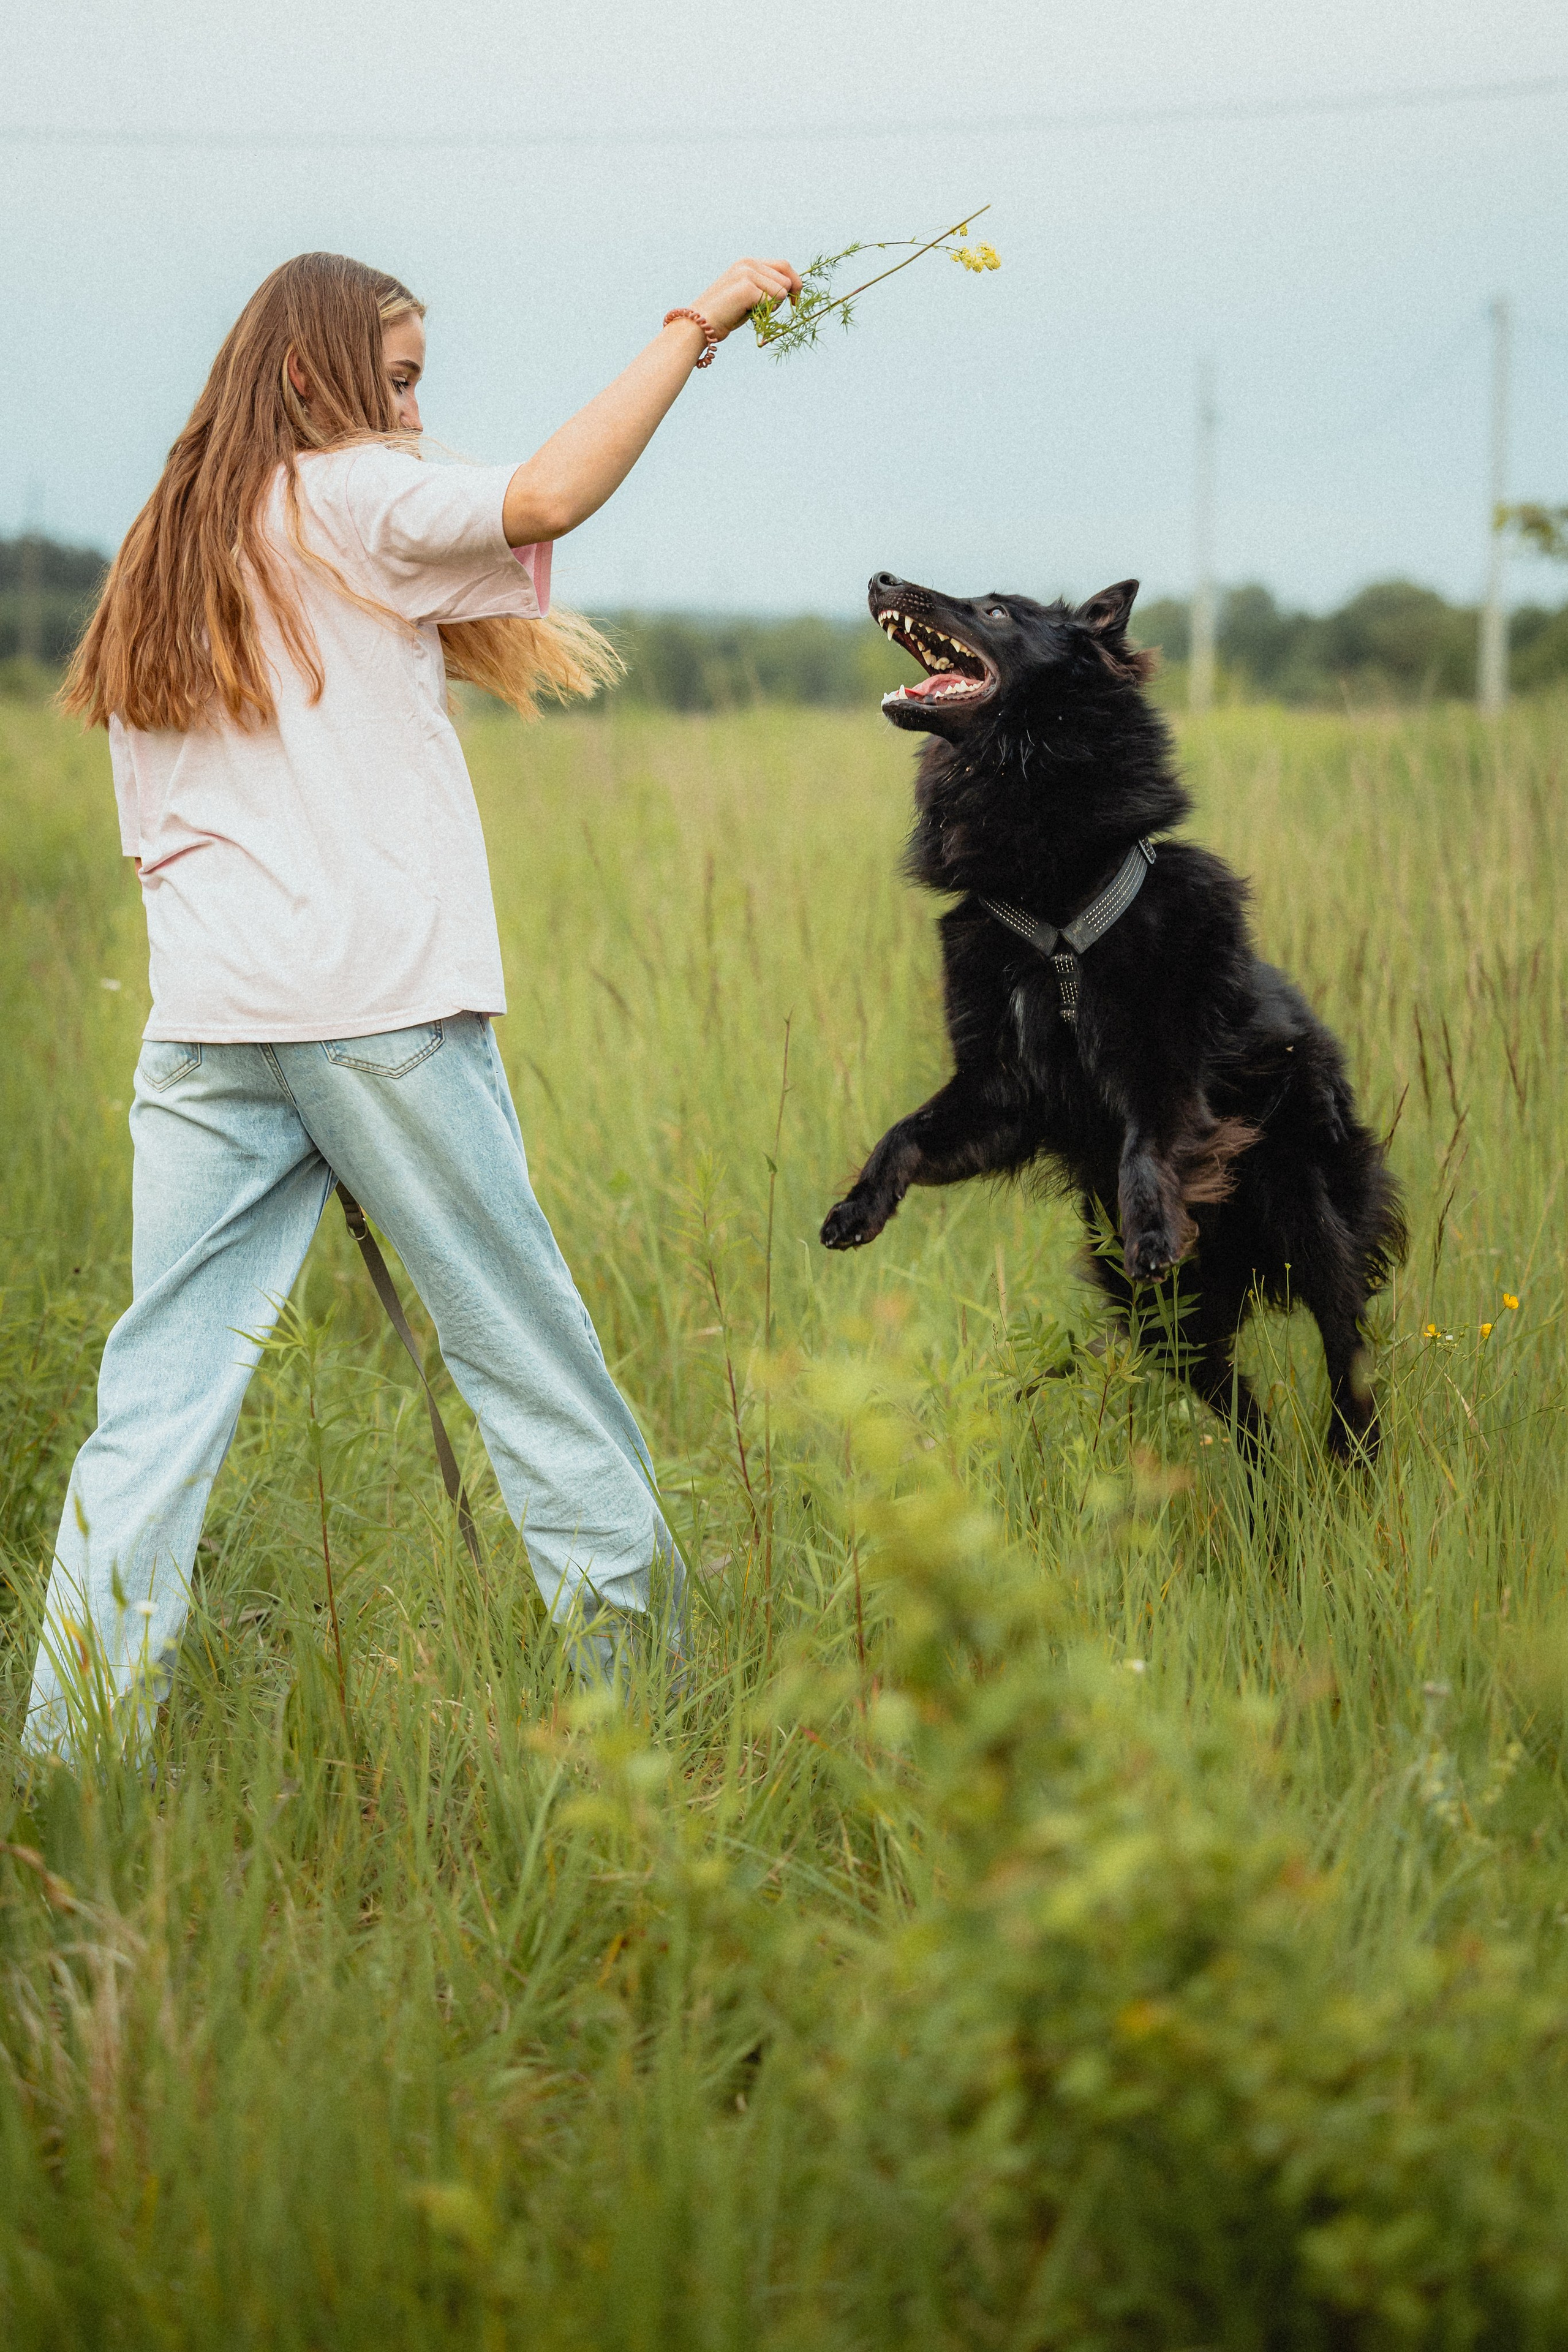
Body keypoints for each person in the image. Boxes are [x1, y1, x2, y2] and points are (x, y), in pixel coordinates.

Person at [26, 244, 801, 1763]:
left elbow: (149, 823)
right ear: (313, 378)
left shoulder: (166, 544)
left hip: (206, 1023)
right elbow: (547, 498)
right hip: (377, 1011)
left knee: (157, 1403)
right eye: (394, 382)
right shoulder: (342, 495)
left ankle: (70, 1757)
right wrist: (692, 326)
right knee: (529, 1356)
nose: (408, 416)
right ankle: (648, 1720)